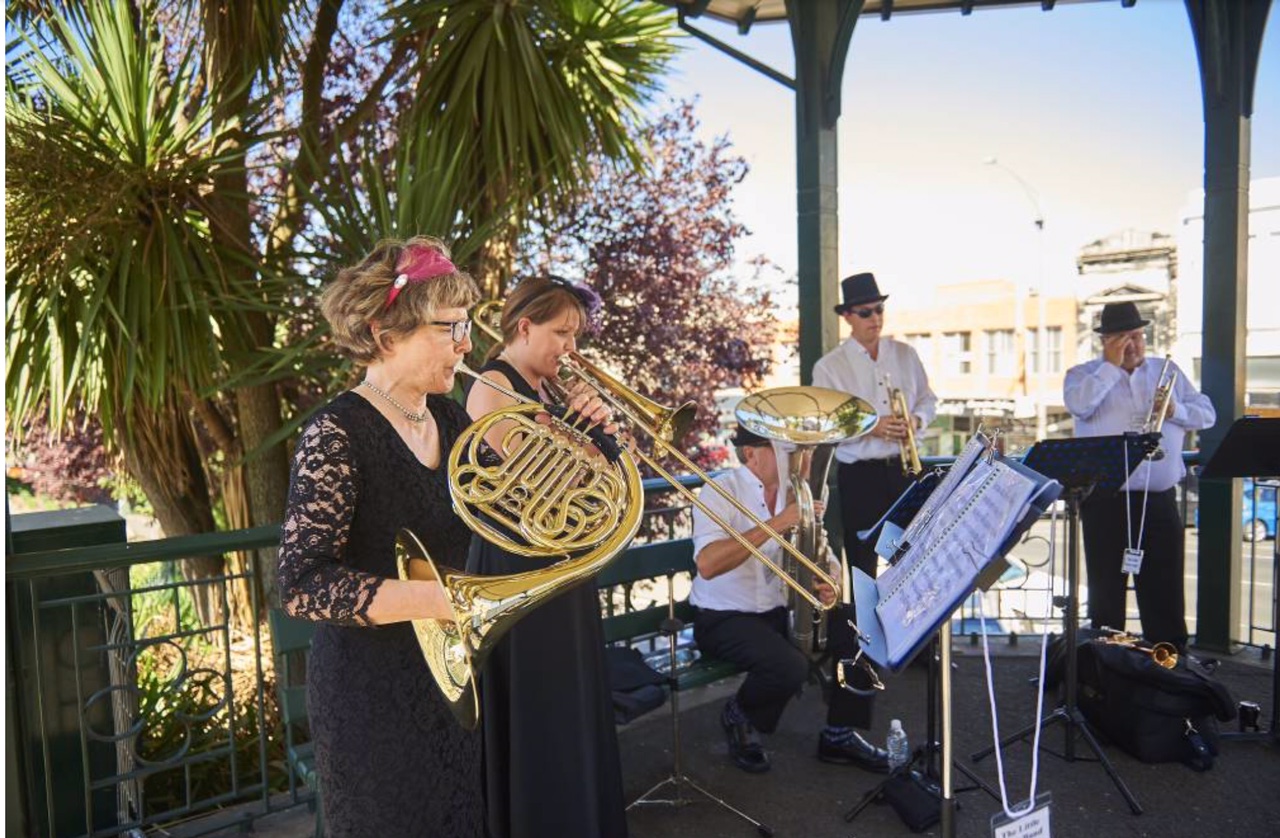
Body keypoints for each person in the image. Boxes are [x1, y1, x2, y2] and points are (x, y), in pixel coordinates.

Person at [276, 236, 485, 837]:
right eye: (450, 328)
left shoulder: (449, 418)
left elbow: (512, 510)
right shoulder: (335, 434)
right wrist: (439, 600)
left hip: (452, 677)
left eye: (465, 326)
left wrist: (581, 433)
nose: (466, 344)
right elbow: (301, 585)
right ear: (385, 333)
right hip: (370, 697)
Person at [464, 276, 627, 838]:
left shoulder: (544, 394)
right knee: (541, 709)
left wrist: (602, 436)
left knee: (569, 705)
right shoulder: (491, 387)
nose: (570, 348)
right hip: (519, 568)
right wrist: (582, 440)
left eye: (575, 335)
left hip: (555, 566)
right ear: (524, 326)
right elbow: (549, 481)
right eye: (561, 333)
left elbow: (600, 482)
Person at [690, 423, 890, 774]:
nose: (805, 462)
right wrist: (779, 522)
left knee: (863, 628)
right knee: (789, 667)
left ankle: (839, 734)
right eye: (792, 452)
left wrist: (832, 580)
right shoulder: (719, 490)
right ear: (752, 454)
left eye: (809, 452)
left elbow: (822, 551)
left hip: (777, 609)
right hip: (722, 616)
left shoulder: (800, 493)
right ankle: (739, 714)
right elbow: (707, 564)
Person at [1064, 301, 1215, 650]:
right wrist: (1111, 368)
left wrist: (1176, 409)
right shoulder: (1082, 375)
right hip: (1104, 501)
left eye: (1136, 335)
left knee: (1164, 590)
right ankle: (1105, 669)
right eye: (1120, 337)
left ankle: (1169, 668)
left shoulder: (1168, 371)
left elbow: (1207, 414)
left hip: (1159, 498)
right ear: (1104, 341)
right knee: (1105, 594)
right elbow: (1079, 406)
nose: (1132, 344)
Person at [812, 272, 937, 584]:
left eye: (879, 309)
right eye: (866, 312)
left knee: (915, 558)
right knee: (862, 565)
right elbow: (826, 424)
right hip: (860, 476)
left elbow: (928, 400)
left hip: (907, 471)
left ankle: (916, 631)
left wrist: (916, 420)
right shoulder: (829, 366)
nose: (875, 318)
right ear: (847, 317)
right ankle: (865, 632)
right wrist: (872, 427)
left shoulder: (906, 354)